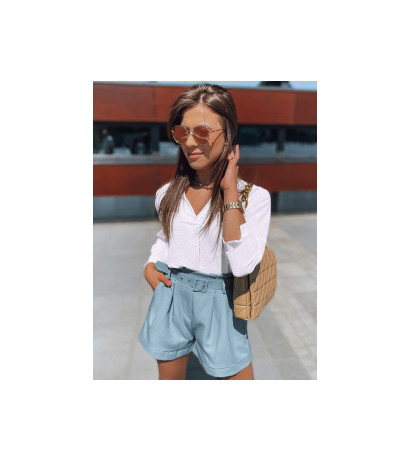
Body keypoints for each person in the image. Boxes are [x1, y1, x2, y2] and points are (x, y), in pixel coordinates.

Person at [139, 84, 271, 380]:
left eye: (202, 132)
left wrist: (229, 192)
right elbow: (166, 238)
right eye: (182, 132)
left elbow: (243, 265)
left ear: (229, 135)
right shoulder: (167, 194)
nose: (189, 142)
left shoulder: (255, 198)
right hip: (173, 296)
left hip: (220, 302)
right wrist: (150, 265)